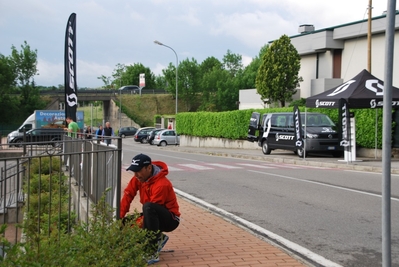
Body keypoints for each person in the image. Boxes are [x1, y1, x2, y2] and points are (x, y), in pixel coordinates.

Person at [120, 153, 180, 265]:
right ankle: (160, 238)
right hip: (151, 213)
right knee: (125, 223)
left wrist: (135, 230)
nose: (136, 175)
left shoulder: (162, 184)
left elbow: (152, 212)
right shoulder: (138, 178)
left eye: (138, 171)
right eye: (134, 171)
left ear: (149, 168)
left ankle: (151, 251)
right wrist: (120, 217)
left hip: (170, 219)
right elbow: (128, 195)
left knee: (148, 208)